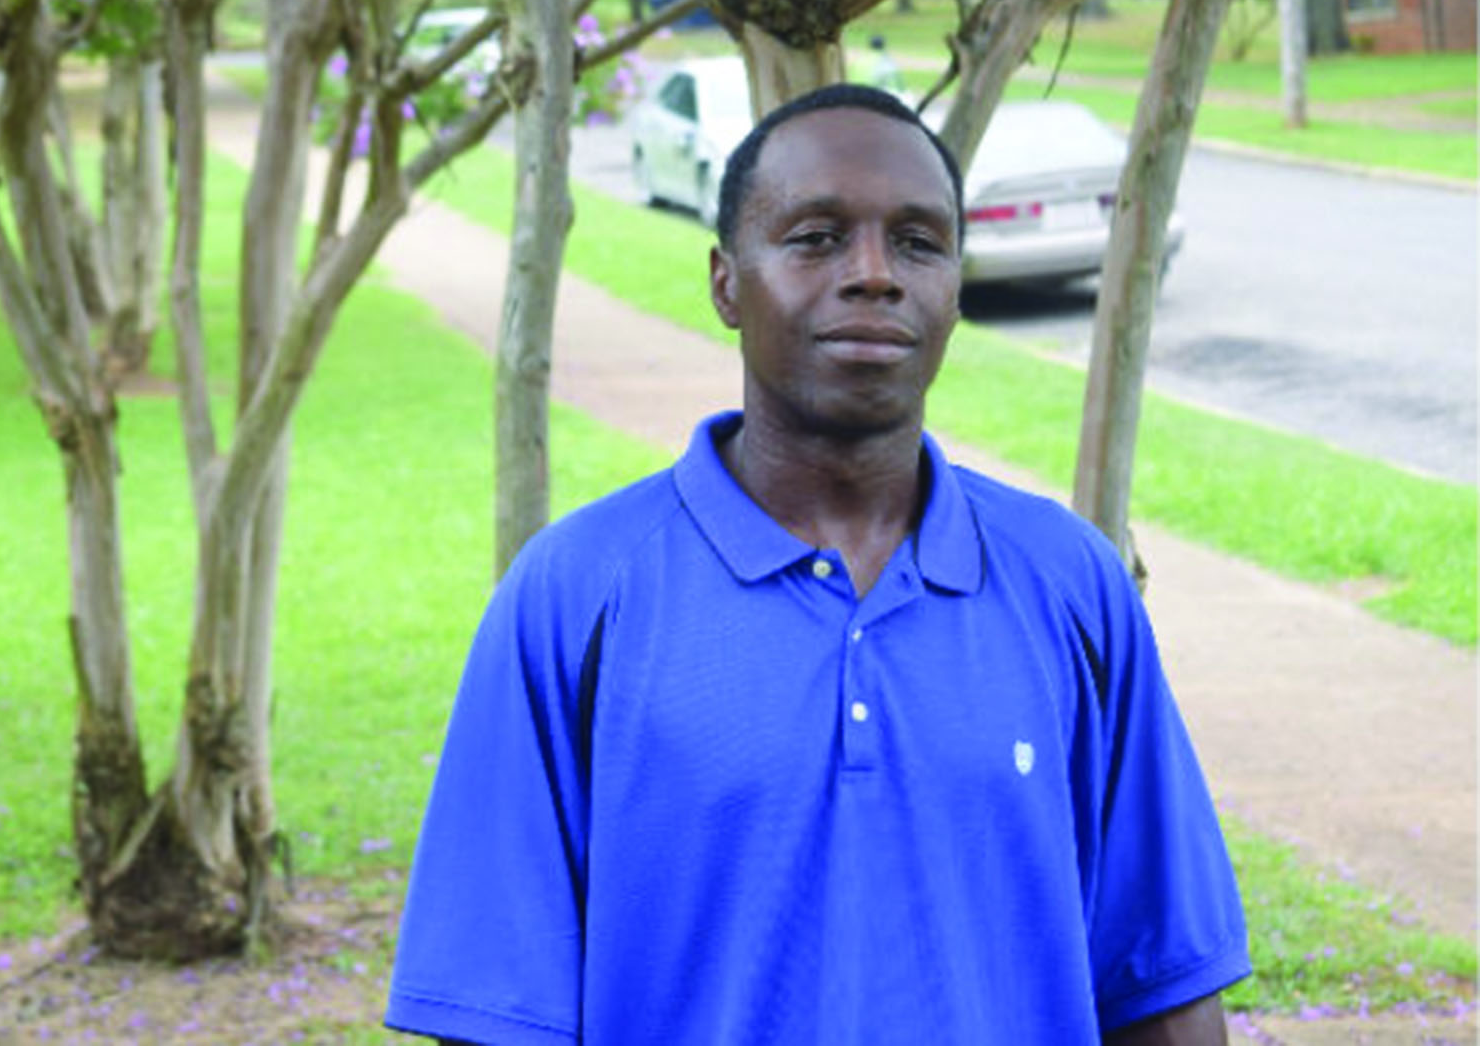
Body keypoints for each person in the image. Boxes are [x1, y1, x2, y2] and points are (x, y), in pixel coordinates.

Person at [385, 84, 1249, 1045]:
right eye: (816, 238)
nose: (875, 274)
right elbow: (493, 1018)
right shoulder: (575, 598)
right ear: (726, 283)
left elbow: (1164, 988)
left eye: (918, 243)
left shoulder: (1070, 585)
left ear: (954, 289)